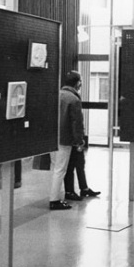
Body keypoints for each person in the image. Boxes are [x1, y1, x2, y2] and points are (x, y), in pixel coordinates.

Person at [49, 70, 86, 210]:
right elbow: (77, 123)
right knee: (60, 170)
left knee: (55, 168)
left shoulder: (55, 95)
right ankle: (55, 200)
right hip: (65, 139)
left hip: (52, 138)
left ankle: (55, 196)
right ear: (78, 83)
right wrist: (79, 141)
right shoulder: (74, 99)